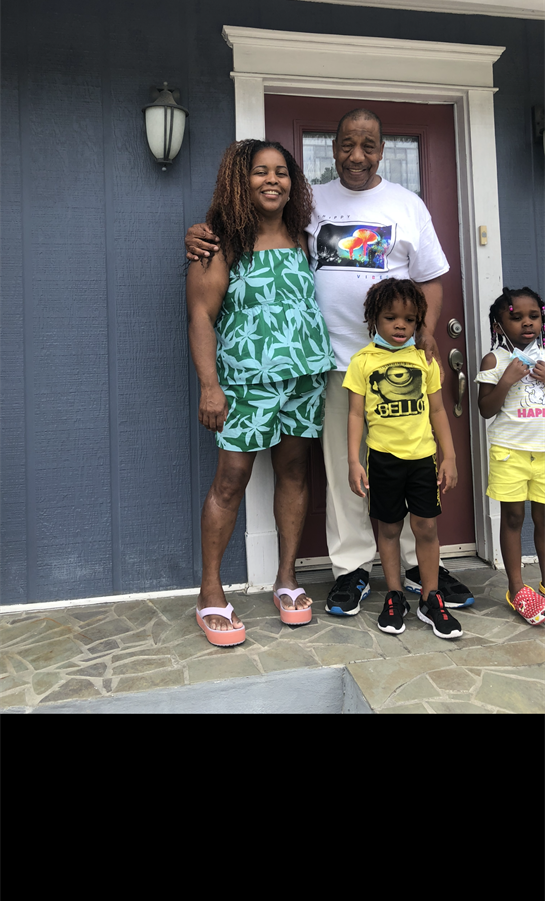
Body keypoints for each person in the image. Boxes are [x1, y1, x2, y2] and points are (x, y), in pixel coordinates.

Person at [185, 109, 474, 614]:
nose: (357, 155)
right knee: (347, 473)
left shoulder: (405, 205)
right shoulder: (310, 204)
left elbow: (430, 276)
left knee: (406, 461)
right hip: (334, 362)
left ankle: (414, 564)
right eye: (346, 144)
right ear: (333, 147)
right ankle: (352, 569)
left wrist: (427, 334)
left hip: (380, 364)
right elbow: (233, 245)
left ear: (382, 150)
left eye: (368, 145)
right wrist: (201, 233)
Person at [186, 139, 336, 646]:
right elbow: (202, 319)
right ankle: (211, 592)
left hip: (303, 379)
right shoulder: (218, 244)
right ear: (239, 180)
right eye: (260, 172)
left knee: (294, 472)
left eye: (282, 172)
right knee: (231, 479)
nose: (273, 180)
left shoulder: (307, 238)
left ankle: (287, 580)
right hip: (245, 384)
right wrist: (210, 386)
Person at [344, 277, 463, 637]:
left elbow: (438, 411)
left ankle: (431, 598)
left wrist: (450, 456)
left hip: (422, 459)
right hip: (383, 460)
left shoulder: (424, 359)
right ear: (373, 320)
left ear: (418, 322)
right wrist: (354, 461)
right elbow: (354, 415)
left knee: (426, 528)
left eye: (409, 320)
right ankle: (395, 595)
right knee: (390, 529)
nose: (400, 326)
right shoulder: (362, 362)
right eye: (390, 318)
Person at [475, 286, 545, 625]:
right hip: (509, 451)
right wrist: (505, 380)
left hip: (544, 451)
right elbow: (485, 409)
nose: (527, 324)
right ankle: (517, 588)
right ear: (498, 325)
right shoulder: (495, 360)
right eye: (516, 318)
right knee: (514, 518)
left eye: (533, 317)